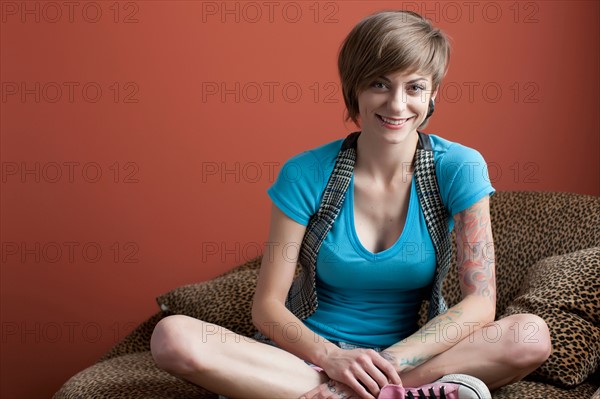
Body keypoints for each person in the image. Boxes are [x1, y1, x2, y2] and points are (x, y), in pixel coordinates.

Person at [150, 10, 551, 399]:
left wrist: (380, 365)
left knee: (530, 334)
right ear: (353, 90)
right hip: (304, 360)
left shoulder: (459, 167)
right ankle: (405, 396)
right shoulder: (305, 173)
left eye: (414, 87)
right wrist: (334, 360)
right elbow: (268, 307)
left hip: (408, 360)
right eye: (379, 84)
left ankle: (365, 393)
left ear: (432, 96)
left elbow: (480, 303)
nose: (397, 105)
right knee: (173, 337)